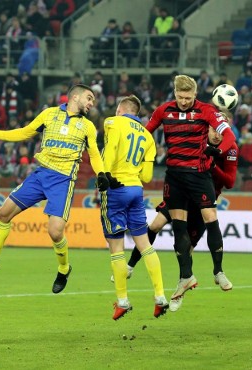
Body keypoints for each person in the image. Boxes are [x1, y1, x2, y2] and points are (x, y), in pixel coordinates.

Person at [0, 84, 111, 294]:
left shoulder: (87, 126)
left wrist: (102, 174)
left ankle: (63, 269)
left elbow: (95, 154)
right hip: (40, 174)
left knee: (54, 231)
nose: (91, 103)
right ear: (75, 96)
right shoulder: (49, 114)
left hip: (63, 180)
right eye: (89, 98)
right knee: (3, 213)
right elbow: (24, 133)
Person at [116, 126, 239, 312]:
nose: (215, 134)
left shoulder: (230, 150)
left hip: (203, 201)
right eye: (213, 130)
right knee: (156, 224)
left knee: (187, 247)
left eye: (220, 132)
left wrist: (213, 166)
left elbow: (229, 181)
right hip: (182, 193)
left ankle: (182, 287)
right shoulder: (198, 140)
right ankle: (130, 266)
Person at [145, 75, 236, 305]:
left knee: (210, 218)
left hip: (198, 174)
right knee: (178, 228)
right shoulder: (163, 110)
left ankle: (218, 271)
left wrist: (218, 151)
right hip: (174, 176)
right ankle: (186, 275)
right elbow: (146, 133)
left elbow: (229, 136)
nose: (184, 101)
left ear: (195, 95)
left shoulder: (206, 111)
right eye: (180, 97)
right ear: (174, 93)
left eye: (188, 97)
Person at [100, 95, 169, 320]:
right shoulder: (147, 137)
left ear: (120, 109)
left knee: (116, 247)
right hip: (136, 191)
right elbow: (147, 176)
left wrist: (105, 176)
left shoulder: (113, 122)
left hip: (116, 189)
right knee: (145, 245)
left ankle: (122, 301)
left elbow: (109, 151)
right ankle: (160, 296)